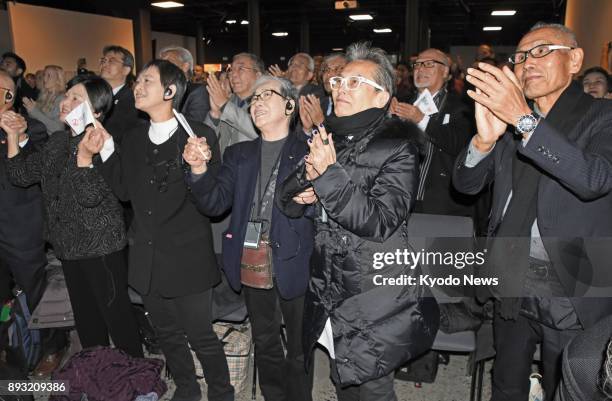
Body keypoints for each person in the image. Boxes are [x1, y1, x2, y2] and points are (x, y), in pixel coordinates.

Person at [454, 22, 612, 401]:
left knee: (568, 386)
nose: (527, 63)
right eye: (521, 56)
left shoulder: (601, 115)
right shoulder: (510, 123)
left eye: (542, 51)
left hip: (573, 279)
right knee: (507, 382)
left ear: (574, 60)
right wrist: (483, 141)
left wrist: (525, 120)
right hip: (512, 275)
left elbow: (595, 178)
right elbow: (465, 185)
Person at [277, 42, 439, 401]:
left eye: (354, 83)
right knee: (342, 376)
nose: (340, 88)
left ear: (382, 98)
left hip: (375, 290)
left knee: (373, 384)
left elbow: (381, 222)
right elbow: (285, 200)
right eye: (339, 82)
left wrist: (328, 177)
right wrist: (304, 193)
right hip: (328, 283)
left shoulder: (398, 146)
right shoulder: (330, 135)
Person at [89, 59, 233, 401]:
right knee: (166, 333)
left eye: (146, 81)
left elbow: (211, 199)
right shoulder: (134, 138)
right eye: (137, 80)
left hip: (188, 257)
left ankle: (222, 392)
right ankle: (187, 388)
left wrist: (198, 166)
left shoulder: (197, 135)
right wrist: (107, 149)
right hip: (147, 256)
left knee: (201, 336)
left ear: (169, 91)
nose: (138, 86)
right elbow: (125, 191)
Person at [183, 76, 314, 401]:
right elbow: (214, 203)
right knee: (266, 341)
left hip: (297, 262)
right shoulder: (238, 154)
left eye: (265, 95)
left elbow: (325, 212)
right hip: (251, 260)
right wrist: (198, 170)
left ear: (289, 105)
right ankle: (272, 395)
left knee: (299, 348)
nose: (256, 103)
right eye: (253, 99)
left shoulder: (310, 151)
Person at [5, 75, 144, 373]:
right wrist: (14, 136)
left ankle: (137, 379)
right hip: (68, 248)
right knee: (87, 322)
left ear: (96, 110)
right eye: (66, 96)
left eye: (75, 98)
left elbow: (91, 197)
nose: (65, 103)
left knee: (117, 319)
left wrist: (84, 156)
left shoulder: (104, 143)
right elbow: (21, 174)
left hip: (101, 248)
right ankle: (98, 376)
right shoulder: (58, 141)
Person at [0, 69, 67, 379]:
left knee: (36, 290)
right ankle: (10, 348)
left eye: (7, 90)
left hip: (21, 225)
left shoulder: (32, 127)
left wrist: (21, 137)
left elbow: (41, 168)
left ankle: (54, 345)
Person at [390, 48, 477, 218]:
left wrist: (421, 120)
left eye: (428, 64)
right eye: (417, 64)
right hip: (400, 197)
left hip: (440, 203)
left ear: (445, 71)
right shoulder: (402, 102)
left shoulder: (461, 106)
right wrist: (389, 120)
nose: (420, 69)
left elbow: (457, 145)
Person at [205, 52, 262, 154]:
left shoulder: (266, 102)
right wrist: (214, 115)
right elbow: (205, 140)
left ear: (258, 75)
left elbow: (260, 131)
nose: (233, 75)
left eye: (241, 69)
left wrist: (224, 105)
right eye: (231, 70)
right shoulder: (228, 101)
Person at [99, 45, 142, 144]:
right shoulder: (94, 96)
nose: (105, 64)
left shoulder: (132, 100)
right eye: (103, 61)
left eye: (111, 61)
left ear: (126, 70)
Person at [299, 53, 347, 137]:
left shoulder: (351, 103)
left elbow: (344, 144)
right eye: (326, 70)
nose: (328, 74)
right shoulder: (316, 97)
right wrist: (307, 130)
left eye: (337, 69)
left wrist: (321, 123)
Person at [159, 45, 210, 122]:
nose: (162, 68)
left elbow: (195, 126)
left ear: (185, 66)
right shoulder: (161, 90)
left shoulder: (198, 91)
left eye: (168, 63)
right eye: (161, 64)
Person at [22, 65, 65, 135]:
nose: (44, 79)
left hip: (52, 142)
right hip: (39, 137)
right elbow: (37, 120)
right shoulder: (43, 95)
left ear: (58, 79)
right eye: (44, 75)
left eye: (49, 76)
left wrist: (34, 111)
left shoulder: (61, 99)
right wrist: (32, 109)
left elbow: (58, 129)